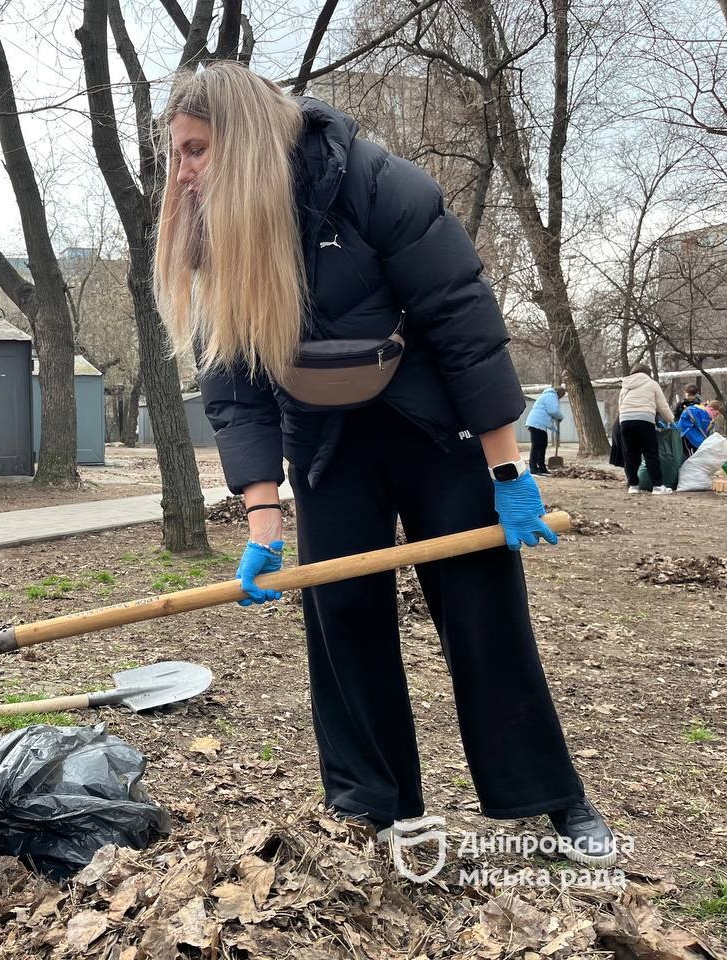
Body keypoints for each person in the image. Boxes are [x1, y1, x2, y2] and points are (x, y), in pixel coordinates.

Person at [154, 62, 615, 867]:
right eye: (178, 155)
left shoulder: (376, 183)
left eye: (194, 150)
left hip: (432, 426)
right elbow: (233, 386)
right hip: (327, 440)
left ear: (246, 137)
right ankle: (377, 805)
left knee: (483, 612)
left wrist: (508, 474)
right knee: (344, 620)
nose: (182, 172)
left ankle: (551, 795)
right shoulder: (214, 230)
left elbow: (464, 320)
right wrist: (264, 513)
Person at [618, 363, 676, 494]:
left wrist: (623, 420)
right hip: (644, 420)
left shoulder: (625, 385)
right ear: (647, 373)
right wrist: (671, 420)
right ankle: (657, 486)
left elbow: (620, 405)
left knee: (630, 454)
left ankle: (633, 485)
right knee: (650, 453)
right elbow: (662, 406)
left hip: (625, 420)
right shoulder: (652, 384)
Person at [525, 386, 565, 475]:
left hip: (538, 424)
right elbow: (553, 411)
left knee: (542, 445)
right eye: (560, 396)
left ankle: (541, 467)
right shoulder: (551, 396)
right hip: (536, 424)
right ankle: (534, 468)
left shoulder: (547, 396)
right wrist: (560, 417)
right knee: (537, 446)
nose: (559, 398)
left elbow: (547, 415)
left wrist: (555, 429)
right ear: (559, 393)